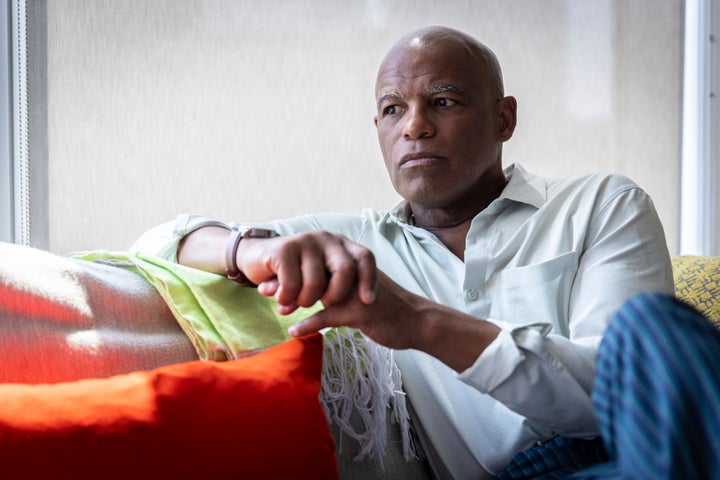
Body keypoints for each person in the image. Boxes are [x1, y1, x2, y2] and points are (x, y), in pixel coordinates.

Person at [132, 26, 719, 478]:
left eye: (442, 101)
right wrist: (255, 250)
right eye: (393, 109)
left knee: (652, 328)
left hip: (646, 448)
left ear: (504, 118)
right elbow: (162, 242)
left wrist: (419, 322)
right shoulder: (356, 245)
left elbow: (617, 393)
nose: (414, 126)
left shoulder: (599, 203)